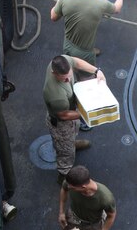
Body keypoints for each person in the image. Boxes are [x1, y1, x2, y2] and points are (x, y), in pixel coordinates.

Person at [43, 54, 104, 184]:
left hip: (70, 112)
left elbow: (76, 61)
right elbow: (64, 115)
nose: (68, 80)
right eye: (64, 79)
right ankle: (64, 176)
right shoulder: (56, 95)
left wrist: (97, 71)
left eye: (70, 76)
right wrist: (88, 112)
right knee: (65, 153)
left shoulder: (61, 62)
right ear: (54, 73)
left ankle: (71, 143)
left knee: (72, 133)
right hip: (61, 123)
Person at [51, 0, 123, 65]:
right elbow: (117, 9)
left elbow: (53, 17)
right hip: (85, 53)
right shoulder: (101, 5)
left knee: (69, 69)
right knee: (88, 77)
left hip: (68, 46)